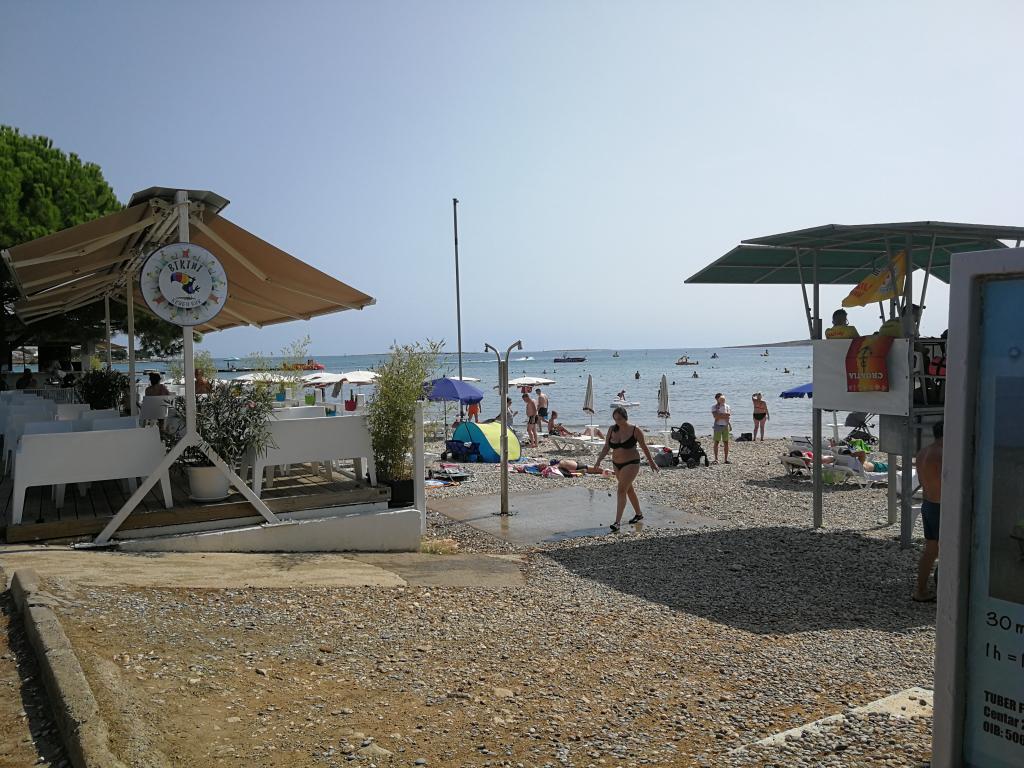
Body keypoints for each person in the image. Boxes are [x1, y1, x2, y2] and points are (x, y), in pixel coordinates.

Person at [594, 407, 658, 531]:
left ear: (625, 417)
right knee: (628, 489)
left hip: (631, 463)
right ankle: (639, 514)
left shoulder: (635, 430)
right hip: (616, 464)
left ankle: (617, 522)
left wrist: (651, 462)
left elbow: (644, 447)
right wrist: (598, 460)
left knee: (621, 490)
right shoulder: (612, 429)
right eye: (615, 419)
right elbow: (606, 447)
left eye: (619, 419)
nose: (617, 421)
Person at [914, 421, 943, 602]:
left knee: (930, 551)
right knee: (949, 549)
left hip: (928, 504)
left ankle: (921, 590)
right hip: (941, 506)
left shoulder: (923, 452)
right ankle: (945, 591)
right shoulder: (943, 454)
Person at [711, 393, 731, 463]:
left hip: (725, 425)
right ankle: (716, 459)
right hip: (717, 425)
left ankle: (726, 459)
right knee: (716, 442)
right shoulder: (714, 407)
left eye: (723, 399)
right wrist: (723, 415)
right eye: (720, 399)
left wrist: (720, 415)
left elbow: (728, 415)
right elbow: (715, 416)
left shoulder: (727, 406)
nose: (721, 400)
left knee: (726, 442)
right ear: (717, 399)